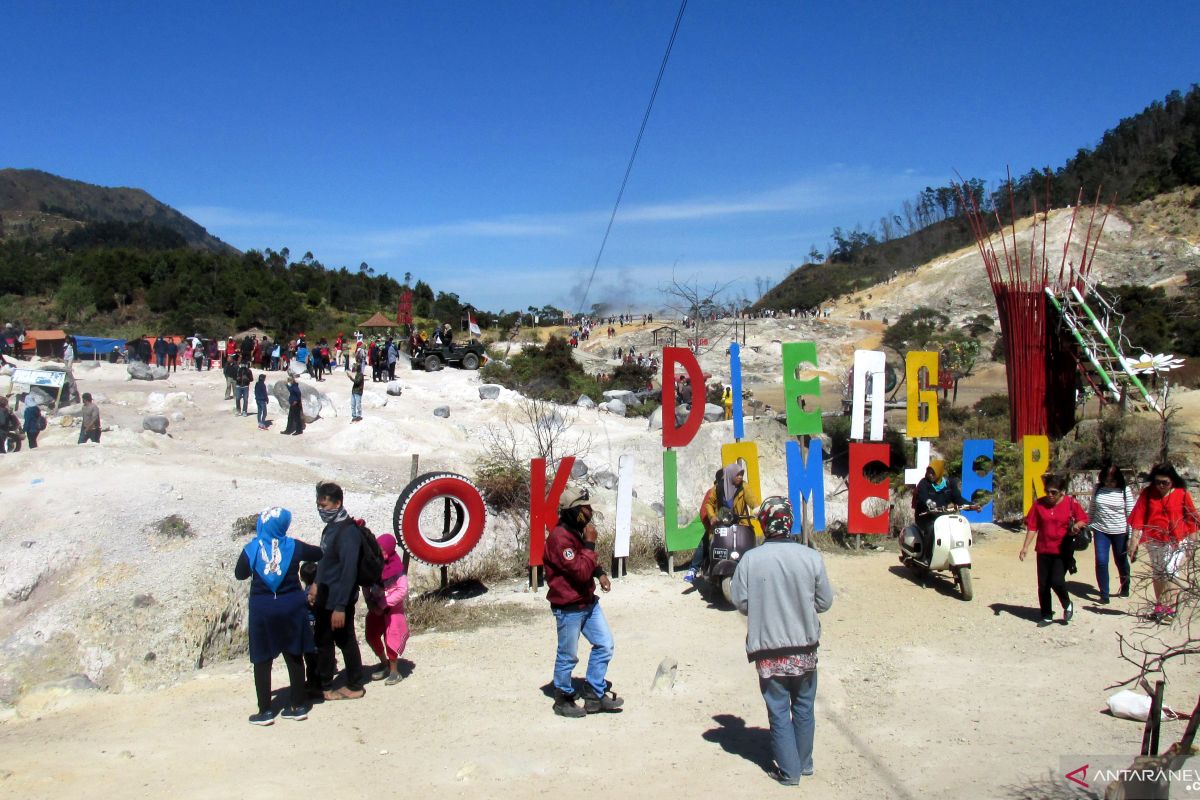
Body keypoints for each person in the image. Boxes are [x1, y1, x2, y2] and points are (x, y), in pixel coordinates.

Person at [730, 496, 833, 786]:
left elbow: (739, 600)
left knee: (777, 708)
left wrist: (764, 606)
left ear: (764, 523)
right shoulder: (811, 557)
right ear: (789, 522)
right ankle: (804, 762)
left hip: (769, 649)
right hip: (805, 649)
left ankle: (789, 773)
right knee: (803, 705)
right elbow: (824, 602)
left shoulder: (750, 560)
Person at [234, 507, 322, 725]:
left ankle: (265, 711)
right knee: (294, 655)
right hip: (292, 607)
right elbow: (318, 553)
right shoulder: (293, 546)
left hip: (263, 609)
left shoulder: (252, 548)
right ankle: (298, 705)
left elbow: (240, 574)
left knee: (262, 659)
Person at [544, 486, 622, 718]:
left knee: (605, 644)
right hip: (569, 607)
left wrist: (600, 573)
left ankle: (594, 694)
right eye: (585, 508)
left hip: (587, 602)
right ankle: (563, 698)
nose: (589, 511)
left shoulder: (575, 531)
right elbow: (578, 570)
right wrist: (590, 544)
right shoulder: (560, 539)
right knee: (568, 654)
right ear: (574, 511)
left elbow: (585, 563)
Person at [313, 481, 366, 700]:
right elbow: (325, 561)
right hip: (325, 596)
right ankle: (325, 685)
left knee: (345, 640)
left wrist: (341, 606)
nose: (321, 510)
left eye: (324, 506)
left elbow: (348, 571)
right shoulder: (332, 527)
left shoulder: (348, 532)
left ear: (338, 503)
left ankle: (355, 685)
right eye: (319, 505)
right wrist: (316, 583)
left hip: (338, 600)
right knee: (323, 641)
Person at [1129, 464, 1199, 623]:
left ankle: (1171, 607)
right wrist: (1133, 540)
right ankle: (1160, 604)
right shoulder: (1148, 493)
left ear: (1172, 481)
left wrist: (1193, 541)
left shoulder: (1182, 494)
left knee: (1170, 571)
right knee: (1158, 573)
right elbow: (1138, 517)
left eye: (1165, 482)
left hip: (1178, 539)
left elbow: (1191, 516)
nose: (1161, 486)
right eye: (1157, 482)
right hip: (1154, 539)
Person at [1019, 474, 1088, 626]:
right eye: (1047, 491)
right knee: (1043, 584)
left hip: (1062, 549)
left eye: (1054, 492)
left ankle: (1067, 604)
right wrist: (1025, 547)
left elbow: (1083, 518)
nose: (1050, 495)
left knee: (1056, 581)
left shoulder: (1071, 503)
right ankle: (1046, 615)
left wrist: (1077, 525)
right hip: (1043, 549)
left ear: (1061, 492)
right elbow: (1032, 526)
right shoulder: (1039, 504)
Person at [685, 463, 759, 583]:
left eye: (741, 474)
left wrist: (756, 509)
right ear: (730, 475)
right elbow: (708, 504)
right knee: (709, 543)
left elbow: (752, 500)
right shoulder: (717, 488)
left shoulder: (744, 487)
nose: (740, 477)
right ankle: (699, 568)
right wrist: (712, 517)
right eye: (738, 474)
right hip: (721, 523)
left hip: (740, 522)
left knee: (748, 543)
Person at [365, 533, 409, 686]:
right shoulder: (375, 564)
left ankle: (394, 670)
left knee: (391, 639)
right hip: (376, 608)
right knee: (371, 635)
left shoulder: (397, 569)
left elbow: (402, 590)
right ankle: (384, 662)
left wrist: (383, 604)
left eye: (384, 550)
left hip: (392, 610)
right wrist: (369, 601)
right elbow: (366, 582)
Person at [1088, 463, 1135, 604]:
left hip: (1120, 531)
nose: (1109, 484)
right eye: (1106, 480)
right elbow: (1092, 509)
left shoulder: (1125, 491)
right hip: (1100, 530)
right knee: (1101, 561)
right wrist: (1089, 527)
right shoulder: (1097, 489)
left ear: (1118, 479)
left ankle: (1125, 586)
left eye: (1112, 481)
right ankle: (1104, 594)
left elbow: (1131, 514)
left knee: (1120, 561)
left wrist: (1131, 537)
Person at [913, 463, 969, 564]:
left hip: (943, 516)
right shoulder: (924, 483)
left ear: (939, 472)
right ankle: (926, 556)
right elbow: (923, 497)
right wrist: (929, 503)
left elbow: (958, 499)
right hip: (925, 516)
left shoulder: (949, 483)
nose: (930, 475)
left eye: (933, 472)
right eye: (928, 472)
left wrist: (972, 505)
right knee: (931, 528)